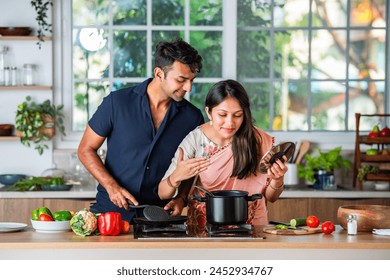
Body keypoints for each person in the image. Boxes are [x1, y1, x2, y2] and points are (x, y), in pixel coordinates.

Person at [78, 38, 208, 222]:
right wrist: (111, 186)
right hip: (111, 214)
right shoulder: (117, 103)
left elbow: (190, 166)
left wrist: (181, 198)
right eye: (181, 80)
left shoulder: (192, 117)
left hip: (159, 218)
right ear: (159, 73)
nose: (188, 87)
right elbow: (85, 149)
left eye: (192, 80)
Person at [158, 79, 288, 231]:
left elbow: (271, 197)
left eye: (237, 115)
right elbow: (162, 193)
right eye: (222, 114)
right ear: (209, 112)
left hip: (252, 227)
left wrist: (278, 179)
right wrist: (175, 177)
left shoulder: (259, 140)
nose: (230, 123)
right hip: (206, 228)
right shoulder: (196, 139)